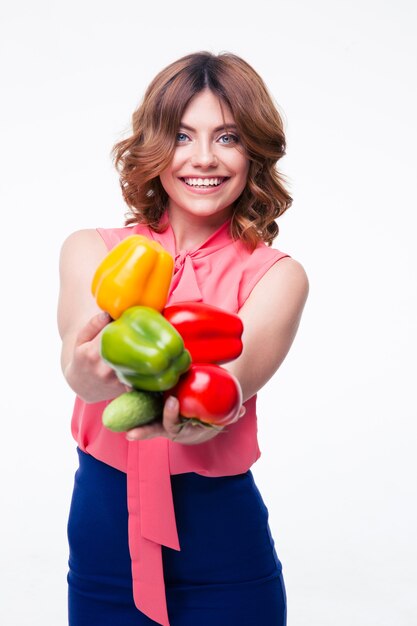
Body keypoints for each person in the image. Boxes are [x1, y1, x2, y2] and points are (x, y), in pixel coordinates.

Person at [58, 50, 309, 626]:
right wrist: (86, 371)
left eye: (227, 137)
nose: (203, 159)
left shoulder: (276, 274)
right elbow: (78, 364)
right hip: (103, 537)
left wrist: (202, 414)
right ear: (152, 147)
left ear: (254, 153)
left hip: (222, 541)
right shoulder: (91, 250)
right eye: (180, 135)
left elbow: (233, 382)